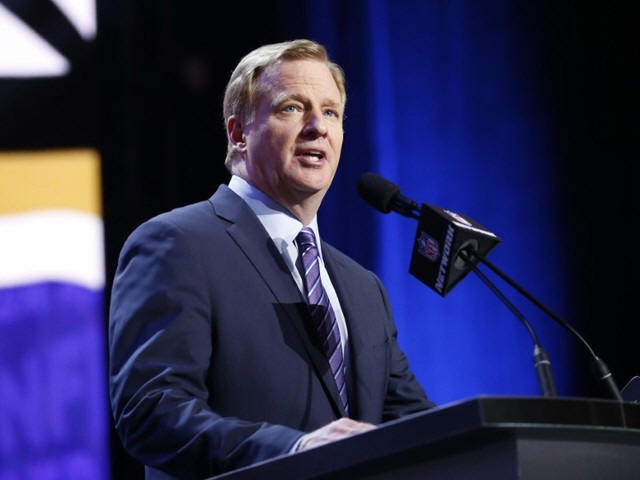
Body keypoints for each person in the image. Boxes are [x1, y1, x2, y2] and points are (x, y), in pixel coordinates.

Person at [109, 39, 434, 480]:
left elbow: (415, 427)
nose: (317, 127)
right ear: (238, 134)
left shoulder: (363, 288)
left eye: (331, 112)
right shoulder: (177, 245)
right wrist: (295, 450)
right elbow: (152, 413)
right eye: (292, 108)